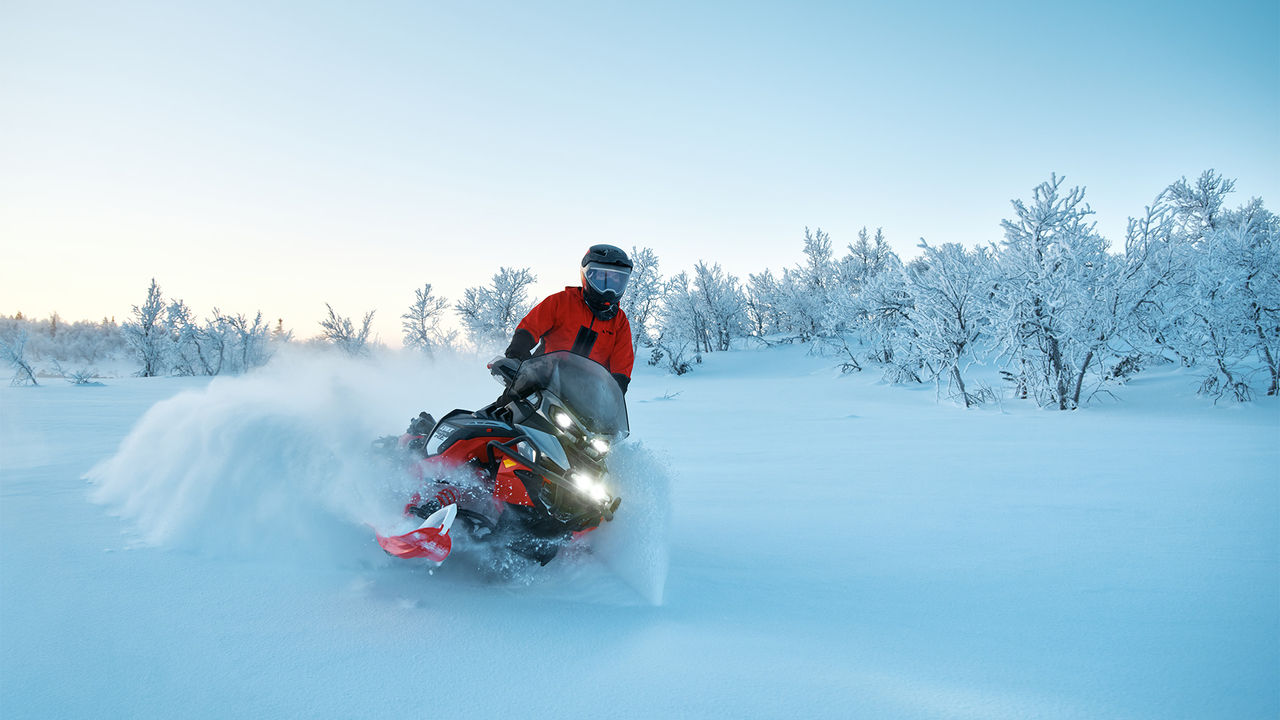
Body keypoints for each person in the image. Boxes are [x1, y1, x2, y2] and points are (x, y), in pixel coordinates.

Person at [493, 244, 636, 393]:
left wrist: (616, 390)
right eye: (602, 278)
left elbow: (622, 364)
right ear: (588, 276)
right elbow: (530, 327)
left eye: (616, 280)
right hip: (540, 381)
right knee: (509, 405)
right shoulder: (561, 302)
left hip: (585, 396)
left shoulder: (619, 322)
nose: (609, 288)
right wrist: (517, 351)